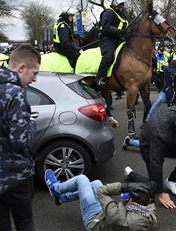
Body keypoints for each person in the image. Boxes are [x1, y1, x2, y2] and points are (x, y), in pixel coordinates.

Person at [0, 45, 41, 231]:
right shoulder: (16, 95)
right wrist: (31, 124)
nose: (35, 79)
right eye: (34, 73)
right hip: (16, 177)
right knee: (25, 223)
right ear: (21, 68)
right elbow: (20, 142)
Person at [44, 167, 157, 230]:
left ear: (132, 200)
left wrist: (124, 187)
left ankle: (55, 188)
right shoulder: (149, 214)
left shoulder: (118, 218)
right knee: (96, 183)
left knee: (82, 179)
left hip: (93, 220)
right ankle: (61, 199)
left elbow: (101, 192)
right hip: (106, 216)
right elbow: (150, 201)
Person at [140, 106, 176, 209]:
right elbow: (156, 163)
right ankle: (133, 175)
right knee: (154, 179)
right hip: (148, 145)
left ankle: (171, 181)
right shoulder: (161, 133)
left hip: (170, 140)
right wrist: (161, 193)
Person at [96, 0, 128, 86]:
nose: (122, 7)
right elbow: (106, 26)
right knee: (108, 56)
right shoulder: (109, 12)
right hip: (108, 39)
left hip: (120, 40)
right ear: (115, 5)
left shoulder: (123, 17)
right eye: (120, 5)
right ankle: (100, 77)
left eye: (123, 5)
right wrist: (119, 31)